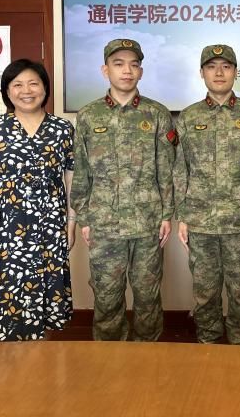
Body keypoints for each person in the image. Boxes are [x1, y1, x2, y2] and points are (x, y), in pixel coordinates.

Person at [71, 38, 176, 341]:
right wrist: (84, 217)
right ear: (105, 70)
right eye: (118, 64)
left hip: (147, 223)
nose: (127, 71)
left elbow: (166, 169)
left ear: (141, 71)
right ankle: (108, 359)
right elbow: (82, 171)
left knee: (148, 296)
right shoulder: (89, 115)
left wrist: (167, 215)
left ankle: (148, 356)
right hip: (104, 223)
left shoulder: (157, 113)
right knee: (106, 296)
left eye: (133, 64)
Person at [0, 59, 75, 341]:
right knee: (8, 302)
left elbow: (72, 184)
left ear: (45, 88)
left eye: (33, 83)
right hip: (4, 233)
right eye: (17, 85)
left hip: (50, 231)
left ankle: (42, 364)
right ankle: (7, 366)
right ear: (7, 91)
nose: (26, 91)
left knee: (46, 302)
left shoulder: (62, 130)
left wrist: (71, 225)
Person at [173, 44, 240, 344]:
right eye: (212, 66)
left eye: (226, 66)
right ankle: (208, 349)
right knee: (204, 294)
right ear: (201, 73)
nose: (219, 73)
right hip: (201, 222)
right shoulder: (189, 117)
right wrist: (183, 216)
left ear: (235, 72)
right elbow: (180, 169)